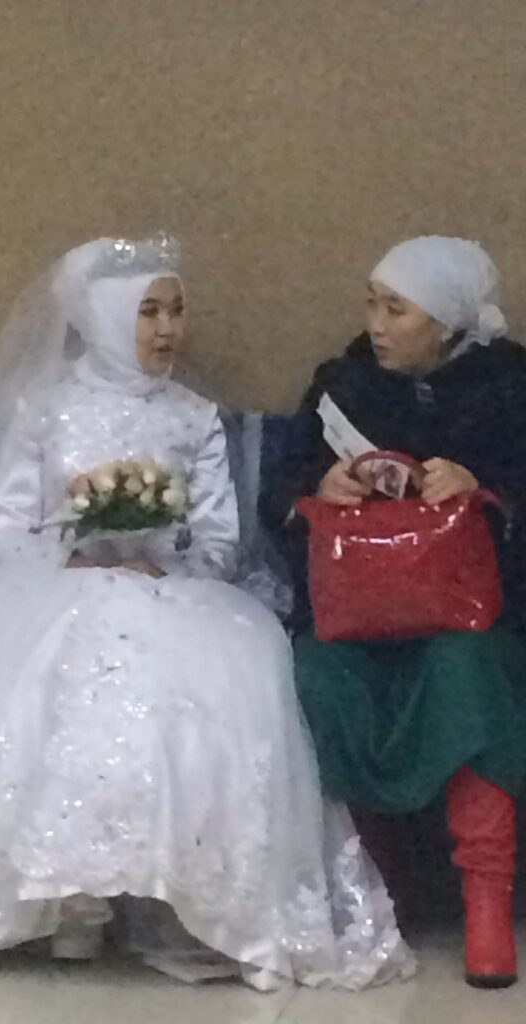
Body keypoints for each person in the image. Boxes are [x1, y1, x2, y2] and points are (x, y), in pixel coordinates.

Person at [0, 237, 412, 991]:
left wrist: (161, 564)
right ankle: (63, 899)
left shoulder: (193, 417)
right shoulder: (42, 408)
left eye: (176, 310)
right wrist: (72, 558)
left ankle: (161, 896)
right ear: (105, 317)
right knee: (38, 674)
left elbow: (216, 541)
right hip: (47, 587)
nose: (168, 329)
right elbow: (1, 528)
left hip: (167, 591)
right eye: (148, 312)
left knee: (200, 679)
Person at [267, 236, 526, 989]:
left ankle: (485, 903)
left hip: (478, 615)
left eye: (397, 308)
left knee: (465, 670)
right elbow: (280, 489)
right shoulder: (343, 385)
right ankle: (376, 889)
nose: (376, 323)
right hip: (359, 611)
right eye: (371, 302)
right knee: (322, 670)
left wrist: (488, 490)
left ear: (445, 322)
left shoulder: (511, 388)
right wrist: (323, 487)